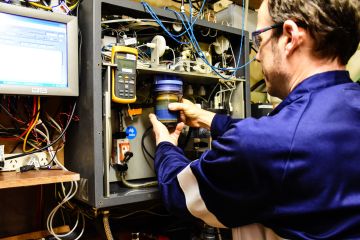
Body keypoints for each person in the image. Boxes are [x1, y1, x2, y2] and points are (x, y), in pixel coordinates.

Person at [149, 0, 360, 239]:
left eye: (258, 40)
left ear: (289, 36)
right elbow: (290, 134)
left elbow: (178, 193)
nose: (257, 56)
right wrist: (208, 118)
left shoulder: (268, 143)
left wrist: (165, 145)